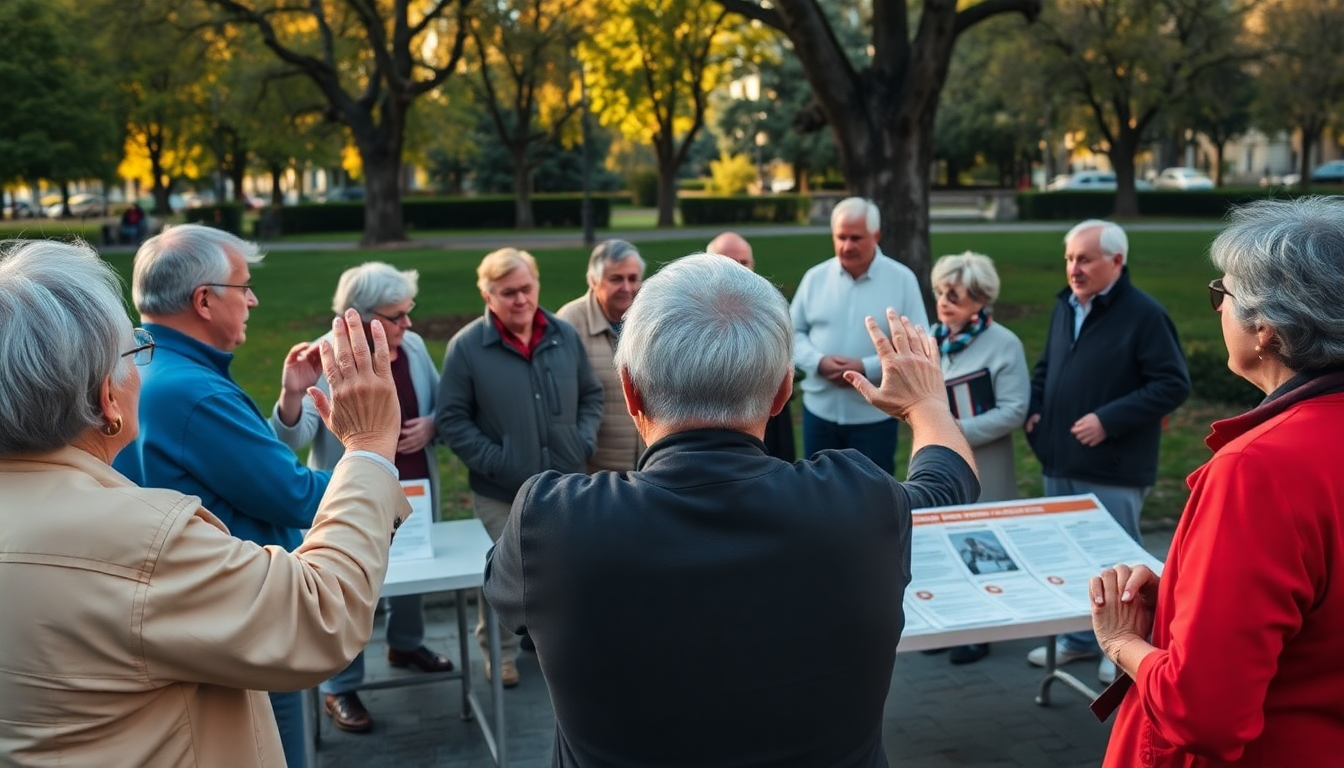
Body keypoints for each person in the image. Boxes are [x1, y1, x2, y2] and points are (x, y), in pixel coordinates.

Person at [484, 253, 980, 768]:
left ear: (631, 391)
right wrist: (926, 405)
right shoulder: (858, 503)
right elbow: (946, 485)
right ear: (783, 391)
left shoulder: (553, 524)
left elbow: (502, 592)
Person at [0, 238, 410, 767]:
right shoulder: (140, 540)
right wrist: (371, 448)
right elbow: (318, 615)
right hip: (246, 631)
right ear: (106, 399)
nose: (141, 373)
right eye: (132, 354)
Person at [1090, 197, 1344, 768]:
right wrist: (1186, 601)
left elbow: (1200, 714)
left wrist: (1121, 641)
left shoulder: (1259, 469)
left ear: (1266, 331)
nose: (1216, 310)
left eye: (1221, 296)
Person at [111, 224, 338, 767]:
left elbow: (224, 468)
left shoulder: (140, 368)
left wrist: (286, 403)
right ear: (205, 300)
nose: (254, 299)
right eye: (244, 286)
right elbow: (293, 495)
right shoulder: (195, 390)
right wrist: (366, 455)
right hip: (246, 619)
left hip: (188, 619)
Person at [270, 261, 453, 734]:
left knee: (413, 568)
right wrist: (292, 395)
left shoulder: (410, 347)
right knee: (351, 586)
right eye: (397, 315)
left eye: (408, 312)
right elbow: (292, 439)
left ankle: (406, 642)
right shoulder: (329, 359)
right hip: (349, 498)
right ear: (363, 316)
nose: (409, 325)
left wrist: (431, 425)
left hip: (409, 485)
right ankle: (341, 685)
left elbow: (435, 404)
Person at [1023, 219, 1190, 685]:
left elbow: (1172, 383)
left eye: (1085, 259)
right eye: (1070, 259)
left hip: (1112, 466)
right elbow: (1046, 367)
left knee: (1114, 563)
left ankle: (1124, 647)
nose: (1074, 268)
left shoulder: (1145, 314)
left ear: (1117, 261)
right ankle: (1078, 641)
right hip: (1059, 459)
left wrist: (1108, 420)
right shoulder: (1066, 306)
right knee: (1067, 556)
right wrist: (1035, 410)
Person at [437, 247, 603, 688]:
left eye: (526, 288)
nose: (520, 300)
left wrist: (582, 440)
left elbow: (591, 396)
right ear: (488, 296)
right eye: (508, 292)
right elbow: (452, 418)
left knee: (567, 570)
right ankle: (500, 652)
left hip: (563, 483)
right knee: (501, 574)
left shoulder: (564, 336)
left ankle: (563, 649)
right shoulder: (467, 347)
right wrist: (499, 462)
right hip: (501, 489)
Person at [927, 251, 1030, 665]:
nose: (944, 301)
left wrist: (952, 431)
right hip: (937, 460)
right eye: (939, 291)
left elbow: (1014, 409)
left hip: (984, 463)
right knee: (940, 540)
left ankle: (980, 629)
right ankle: (950, 622)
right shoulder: (933, 340)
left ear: (981, 299)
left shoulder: (1005, 343)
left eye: (955, 294)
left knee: (980, 545)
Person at [791, 197, 929, 473]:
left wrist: (864, 369)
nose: (846, 246)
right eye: (841, 237)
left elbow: (918, 344)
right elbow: (791, 333)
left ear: (876, 236)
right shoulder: (815, 278)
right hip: (819, 412)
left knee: (874, 500)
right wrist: (818, 362)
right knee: (817, 499)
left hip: (874, 416)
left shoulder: (902, 279)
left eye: (856, 238)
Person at [556, 239, 647, 472]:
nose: (626, 287)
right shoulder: (570, 323)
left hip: (651, 470)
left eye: (633, 278)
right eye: (616, 279)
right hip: (596, 474)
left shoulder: (652, 318)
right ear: (594, 281)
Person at [708, 230, 796, 461]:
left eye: (744, 263)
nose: (738, 270)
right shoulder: (695, 313)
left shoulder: (774, 306)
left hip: (770, 421)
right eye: (728, 262)